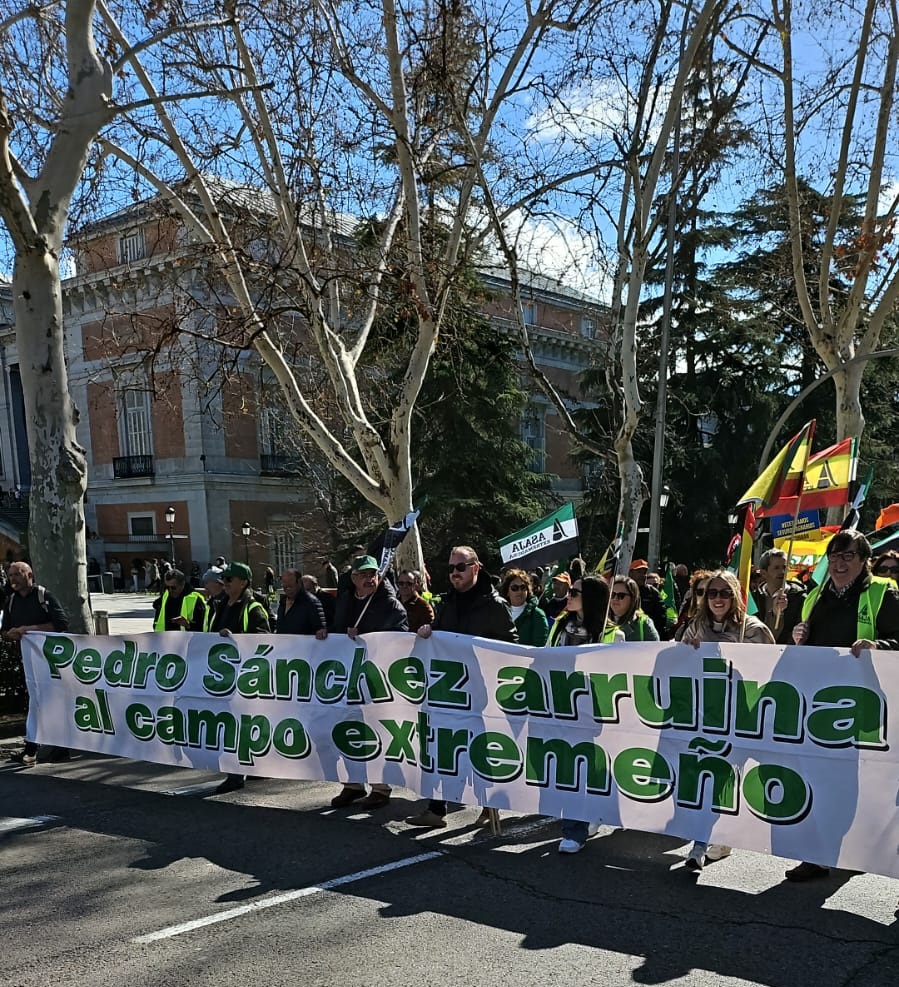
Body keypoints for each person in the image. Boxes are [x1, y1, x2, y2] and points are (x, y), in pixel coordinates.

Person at [786, 529, 899, 881]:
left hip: (869, 705)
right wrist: (798, 637)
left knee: (864, 783)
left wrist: (879, 645)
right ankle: (819, 855)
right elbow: (801, 646)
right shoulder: (815, 596)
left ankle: (860, 852)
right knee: (821, 780)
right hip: (823, 706)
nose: (839, 564)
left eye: (847, 556)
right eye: (833, 557)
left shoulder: (885, 592)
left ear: (865, 560)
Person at [408, 546, 517, 829]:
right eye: (451, 568)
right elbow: (440, 635)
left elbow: (512, 645)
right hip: (450, 690)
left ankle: (489, 806)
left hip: (481, 693)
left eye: (461, 567)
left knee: (481, 749)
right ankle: (436, 808)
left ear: (476, 568)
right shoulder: (447, 603)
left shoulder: (494, 605)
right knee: (445, 747)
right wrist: (428, 632)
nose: (454, 573)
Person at [679, 568, 775, 870]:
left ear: (735, 597)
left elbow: (775, 669)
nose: (717, 599)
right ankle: (699, 844)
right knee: (709, 776)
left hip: (742, 716)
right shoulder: (696, 626)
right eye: (711, 593)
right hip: (707, 716)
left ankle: (718, 838)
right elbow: (678, 663)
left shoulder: (754, 629)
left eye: (724, 593)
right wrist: (685, 650)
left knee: (730, 779)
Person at [328, 556, 409, 810]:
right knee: (350, 729)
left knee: (377, 733)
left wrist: (367, 638)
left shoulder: (391, 605)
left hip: (378, 681)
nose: (369, 578)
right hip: (350, 680)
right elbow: (337, 631)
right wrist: (330, 635)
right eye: (363, 574)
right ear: (353, 579)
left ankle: (381, 787)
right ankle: (352, 784)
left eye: (373, 573)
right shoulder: (346, 601)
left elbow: (401, 638)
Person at [548, 574, 622, 852]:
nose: (568, 596)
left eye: (575, 593)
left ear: (590, 599)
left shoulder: (611, 633)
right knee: (568, 769)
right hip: (561, 707)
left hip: (594, 713)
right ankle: (574, 828)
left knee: (590, 769)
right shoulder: (558, 626)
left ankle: (585, 821)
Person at [208, 562, 272, 793]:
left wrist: (236, 638)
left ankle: (236, 773)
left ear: (243, 582)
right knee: (230, 723)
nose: (224, 583)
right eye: (224, 579)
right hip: (222, 674)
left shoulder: (254, 608)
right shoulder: (221, 604)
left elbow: (264, 640)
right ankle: (251, 767)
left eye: (229, 579)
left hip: (245, 677)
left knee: (239, 724)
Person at [3, 562, 70, 765]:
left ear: (29, 574)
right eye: (10, 575)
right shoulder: (11, 601)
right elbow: (5, 630)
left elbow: (61, 624)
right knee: (35, 703)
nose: (13, 578)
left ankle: (53, 748)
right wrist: (10, 634)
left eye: (17, 574)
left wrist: (29, 629)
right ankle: (35, 748)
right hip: (28, 662)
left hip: (51, 661)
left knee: (50, 702)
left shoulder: (44, 596)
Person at [750, 548, 806, 644]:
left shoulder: (800, 598)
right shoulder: (754, 599)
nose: (782, 572)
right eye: (776, 568)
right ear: (763, 573)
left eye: (784, 567)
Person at [500, 567, 549, 646]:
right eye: (514, 588)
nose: (519, 591)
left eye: (523, 587)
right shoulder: (500, 613)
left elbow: (539, 649)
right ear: (507, 592)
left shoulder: (537, 615)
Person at [608, 575, 660, 641]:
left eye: (621, 596)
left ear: (633, 599)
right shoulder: (601, 622)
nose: (615, 599)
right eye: (612, 594)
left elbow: (654, 649)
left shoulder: (644, 624)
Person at [275, 568, 326, 636]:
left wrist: (321, 631)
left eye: (290, 580)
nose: (287, 585)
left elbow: (320, 628)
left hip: (304, 646)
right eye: (284, 581)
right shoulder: (283, 602)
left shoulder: (311, 602)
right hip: (283, 645)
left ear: (299, 582)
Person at [629, 559, 668, 637]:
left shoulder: (653, 592)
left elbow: (662, 617)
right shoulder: (625, 590)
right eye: (639, 572)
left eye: (644, 572)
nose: (643, 575)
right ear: (631, 573)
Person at [396, 569, 435, 633]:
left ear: (415, 585)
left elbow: (430, 629)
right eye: (401, 583)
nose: (404, 586)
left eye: (409, 583)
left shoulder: (424, 607)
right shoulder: (394, 604)